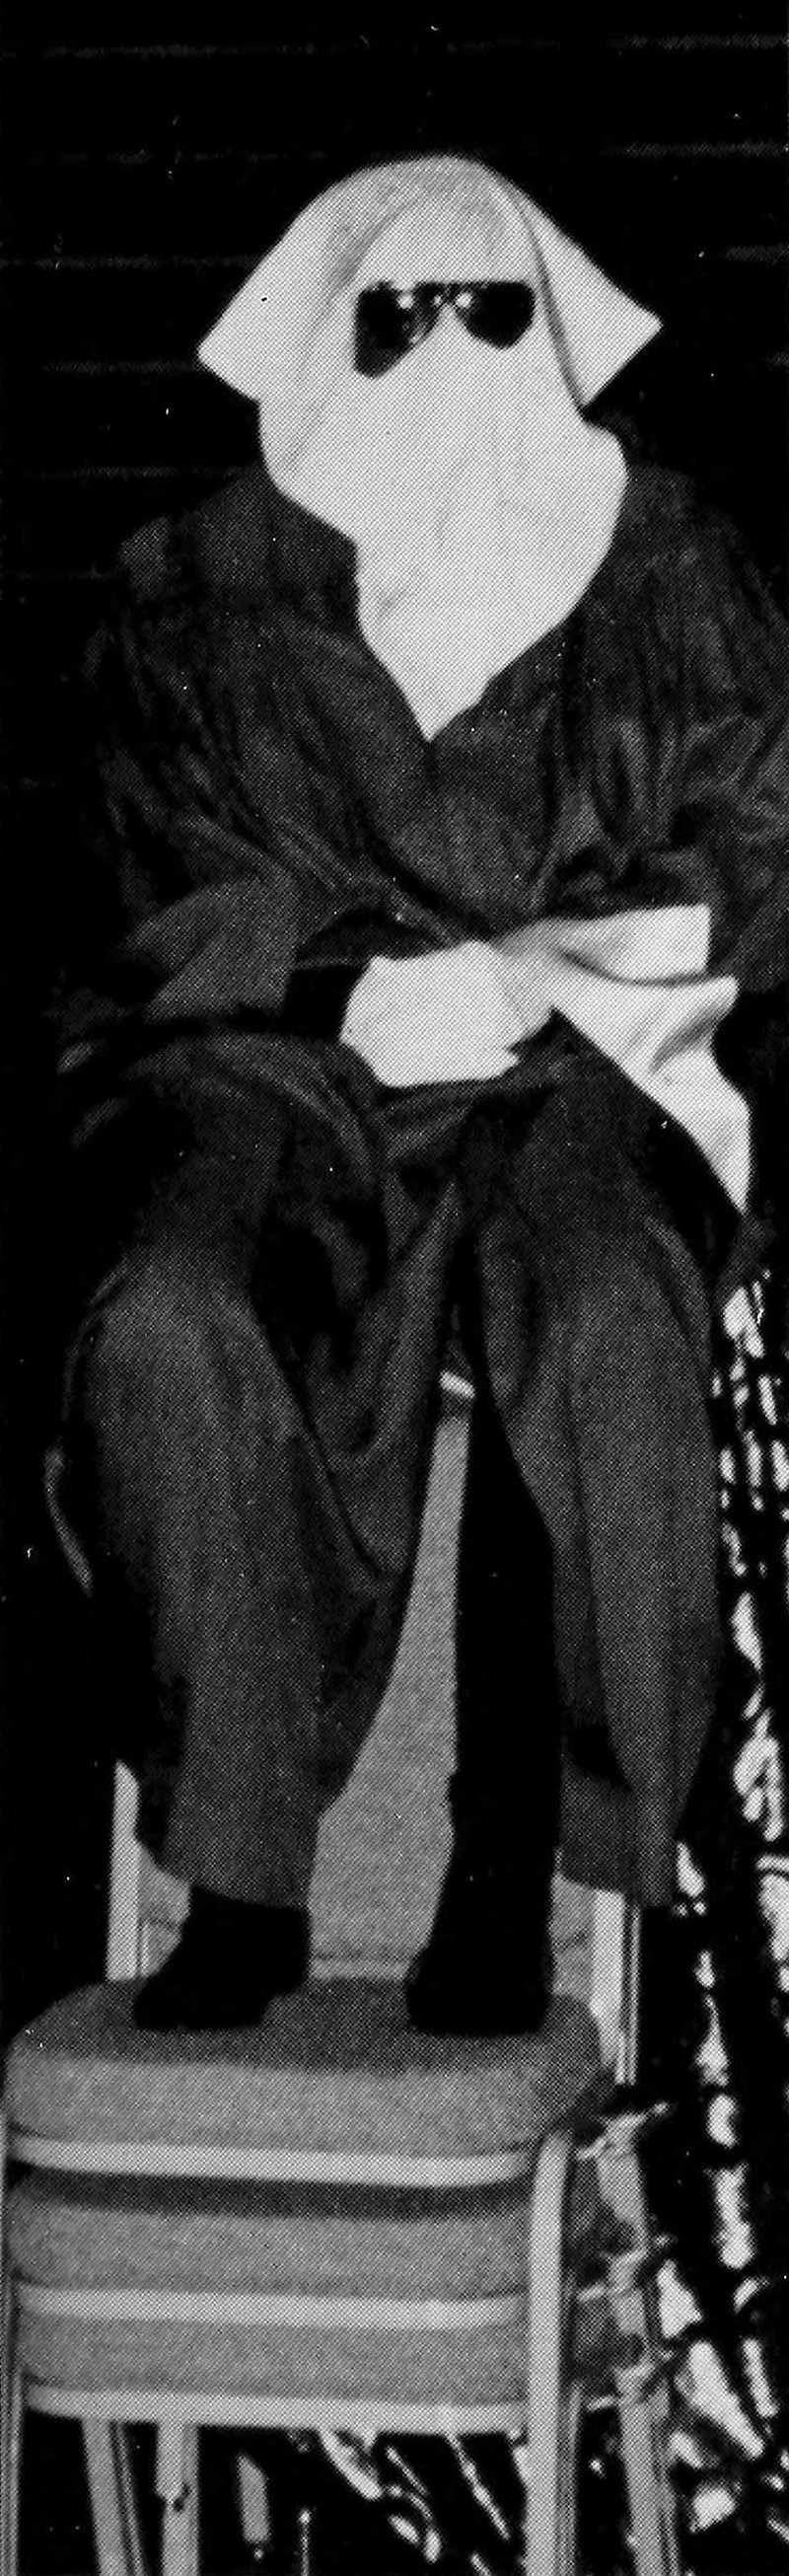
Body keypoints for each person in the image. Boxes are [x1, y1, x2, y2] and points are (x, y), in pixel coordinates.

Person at [50, 155, 789, 2036]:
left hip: (583, 1046)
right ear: (328, 330)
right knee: (167, 1315)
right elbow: (144, 874)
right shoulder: (197, 587)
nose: (450, 348)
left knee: (590, 1298)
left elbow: (757, 836)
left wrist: (546, 970)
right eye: (398, 316)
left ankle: (509, 1856)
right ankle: (239, 1880)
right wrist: (340, 985)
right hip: (283, 1055)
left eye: (494, 311)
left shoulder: (672, 572)